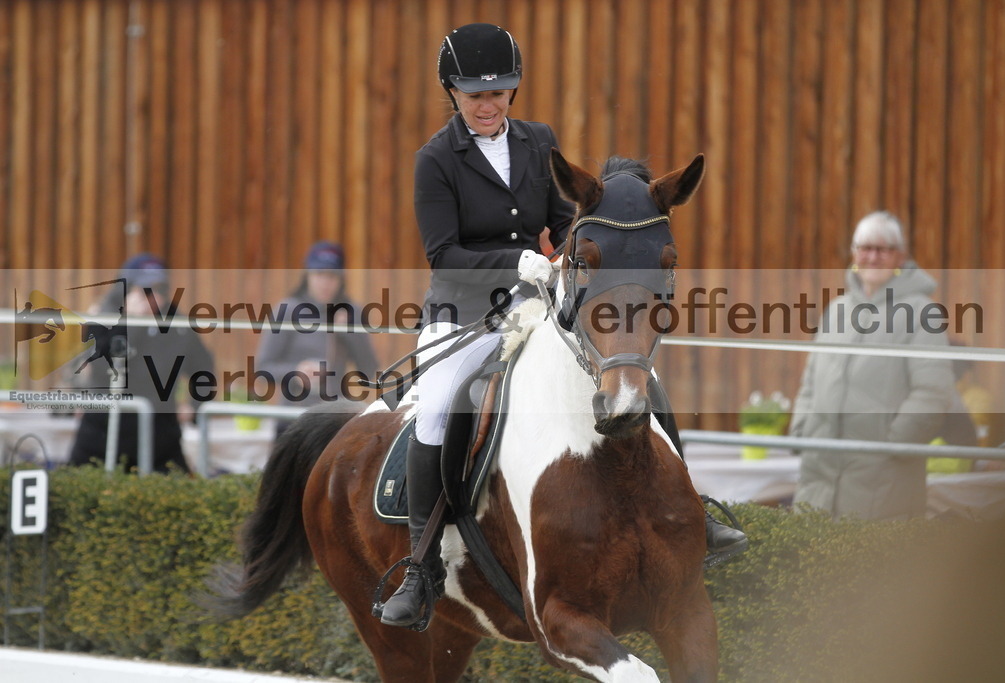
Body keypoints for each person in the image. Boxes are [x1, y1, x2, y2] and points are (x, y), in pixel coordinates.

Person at [378, 23, 745, 628]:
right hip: (463, 312)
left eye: (499, 93)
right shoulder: (435, 160)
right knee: (441, 407)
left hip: (539, 301)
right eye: (474, 94)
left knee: (634, 375)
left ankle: (694, 511)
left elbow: (570, 219)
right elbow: (442, 254)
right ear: (453, 93)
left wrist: (567, 260)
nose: (488, 104)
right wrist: (512, 261)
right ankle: (421, 567)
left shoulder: (537, 141)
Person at [789, 211, 956, 519]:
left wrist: (894, 445)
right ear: (854, 254)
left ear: (901, 257)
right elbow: (810, 382)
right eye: (865, 248)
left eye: (884, 249)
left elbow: (933, 392)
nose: (873, 257)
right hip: (819, 480)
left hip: (883, 483)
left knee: (873, 565)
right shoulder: (836, 310)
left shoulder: (922, 312)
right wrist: (802, 431)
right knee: (812, 563)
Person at [69, 253, 216, 473]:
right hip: (103, 433)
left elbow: (203, 368)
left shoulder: (177, 324)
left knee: (172, 499)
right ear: (126, 291)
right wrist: (133, 323)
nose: (153, 297)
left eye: (160, 290)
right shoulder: (104, 317)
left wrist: (194, 406)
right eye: (144, 290)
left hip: (160, 435)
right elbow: (102, 365)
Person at [254, 241, 379, 437]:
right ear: (307, 275)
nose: (325, 283)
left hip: (334, 422)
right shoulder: (287, 310)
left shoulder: (350, 312)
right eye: (319, 274)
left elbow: (369, 369)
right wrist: (295, 371)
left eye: (332, 276)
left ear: (341, 279)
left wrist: (350, 333)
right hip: (291, 419)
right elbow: (262, 368)